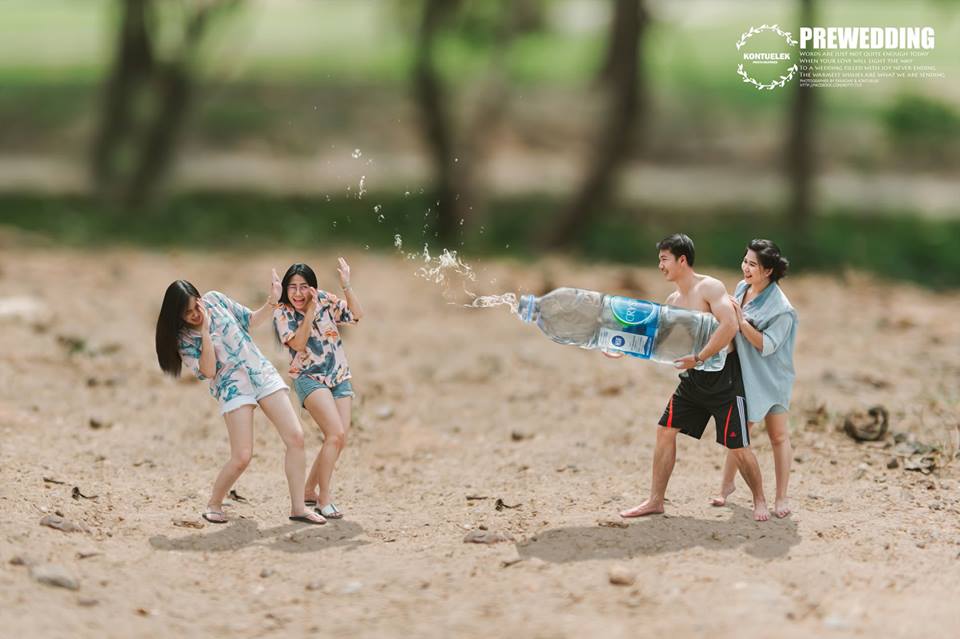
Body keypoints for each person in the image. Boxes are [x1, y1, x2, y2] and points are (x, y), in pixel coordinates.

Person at [619, 233, 770, 521]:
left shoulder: (709, 287)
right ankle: (655, 500)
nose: (660, 266)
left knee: (737, 447)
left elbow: (729, 326)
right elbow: (661, 340)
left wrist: (700, 356)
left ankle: (760, 500)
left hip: (724, 377)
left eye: (664, 260)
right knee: (665, 431)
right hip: (694, 379)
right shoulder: (673, 299)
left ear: (682, 260)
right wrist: (620, 347)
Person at [155, 279, 325, 525]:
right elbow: (210, 371)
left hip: (261, 373)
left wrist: (272, 301)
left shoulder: (216, 299)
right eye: (187, 313)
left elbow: (251, 320)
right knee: (242, 456)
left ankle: (298, 507)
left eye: (195, 307)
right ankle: (214, 502)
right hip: (232, 388)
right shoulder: (183, 339)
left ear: (200, 298)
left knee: (296, 437)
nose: (194, 314)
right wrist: (204, 332)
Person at [711, 239, 797, 518]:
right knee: (739, 432)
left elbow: (766, 345)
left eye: (752, 264)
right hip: (745, 373)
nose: (745, 267)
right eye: (745, 261)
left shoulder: (782, 309)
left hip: (773, 378)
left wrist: (740, 320)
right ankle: (727, 485)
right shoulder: (742, 287)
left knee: (778, 436)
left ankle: (781, 497)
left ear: (768, 270)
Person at [273, 259, 363, 520]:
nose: (298, 293)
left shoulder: (324, 299)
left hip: (339, 375)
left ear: (312, 288)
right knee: (334, 434)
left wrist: (346, 286)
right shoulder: (283, 312)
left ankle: (309, 490)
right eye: (292, 287)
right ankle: (324, 499)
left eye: (304, 287)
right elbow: (299, 345)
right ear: (285, 290)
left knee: (339, 439)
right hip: (308, 377)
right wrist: (310, 311)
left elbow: (356, 315)